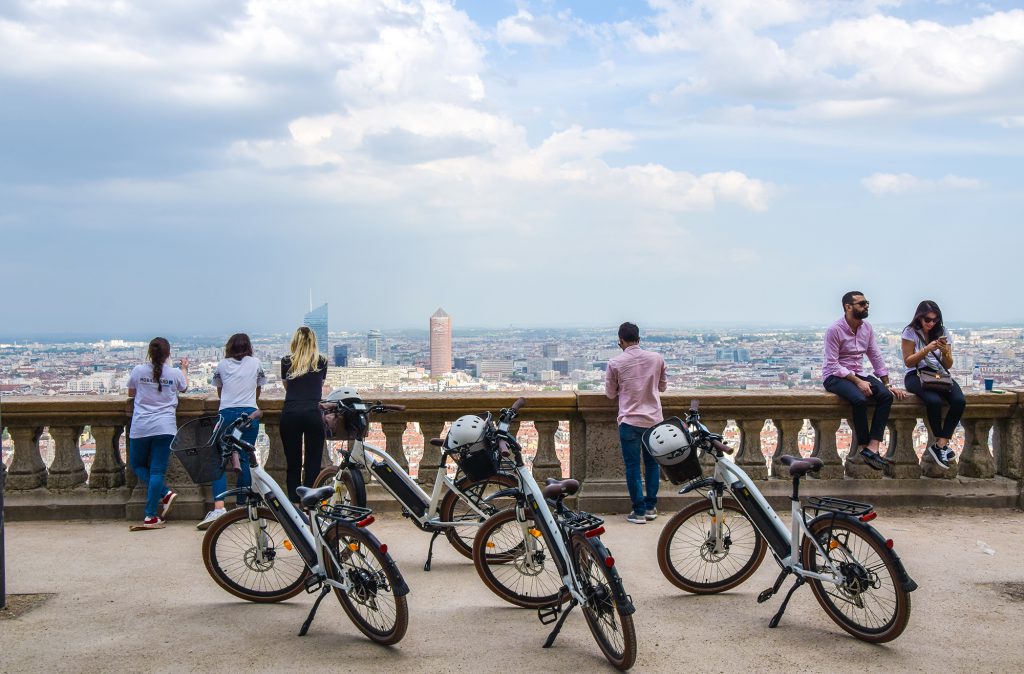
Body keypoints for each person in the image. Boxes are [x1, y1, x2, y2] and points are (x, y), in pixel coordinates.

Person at [823, 291, 907, 471]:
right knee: (859, 399)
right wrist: (857, 382)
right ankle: (862, 446)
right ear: (848, 307)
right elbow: (832, 363)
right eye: (861, 304)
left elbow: (875, 355)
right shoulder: (834, 330)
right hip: (834, 376)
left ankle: (873, 447)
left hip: (858, 372)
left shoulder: (866, 328)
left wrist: (887, 383)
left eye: (866, 303)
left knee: (885, 396)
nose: (866, 306)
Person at [197, 333, 267, 530]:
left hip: (226, 415)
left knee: (218, 459)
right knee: (245, 458)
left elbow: (219, 390)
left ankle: (219, 507)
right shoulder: (256, 363)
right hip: (249, 414)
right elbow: (258, 389)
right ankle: (241, 505)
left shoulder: (222, 365)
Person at [604, 322, 667, 524]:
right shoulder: (657, 359)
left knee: (632, 468)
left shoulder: (615, 363)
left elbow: (609, 393)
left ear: (620, 341)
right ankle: (650, 507)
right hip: (654, 420)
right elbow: (663, 387)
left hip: (629, 420)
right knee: (652, 465)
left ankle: (638, 511)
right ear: (639, 339)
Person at [126, 337, 188, 530]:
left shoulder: (138, 371)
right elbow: (184, 388)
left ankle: (157, 507)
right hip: (165, 427)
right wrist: (184, 368)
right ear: (168, 354)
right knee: (157, 471)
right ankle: (154, 509)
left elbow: (130, 393)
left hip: (141, 426)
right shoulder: (174, 373)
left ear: (149, 352)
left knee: (137, 465)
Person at [901, 300, 965, 469]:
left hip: (938, 374)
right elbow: (908, 362)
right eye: (927, 319)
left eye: (935, 320)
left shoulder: (942, 332)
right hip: (916, 374)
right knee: (933, 401)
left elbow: (948, 364)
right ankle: (941, 444)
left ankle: (941, 444)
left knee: (959, 401)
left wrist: (945, 352)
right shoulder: (910, 332)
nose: (931, 323)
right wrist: (926, 349)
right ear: (919, 318)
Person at [280, 326, 329, 503]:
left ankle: (293, 501)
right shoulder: (321, 361)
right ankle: (310, 501)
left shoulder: (287, 361)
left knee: (293, 463)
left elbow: (288, 387)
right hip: (313, 412)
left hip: (291, 412)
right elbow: (319, 384)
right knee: (313, 462)